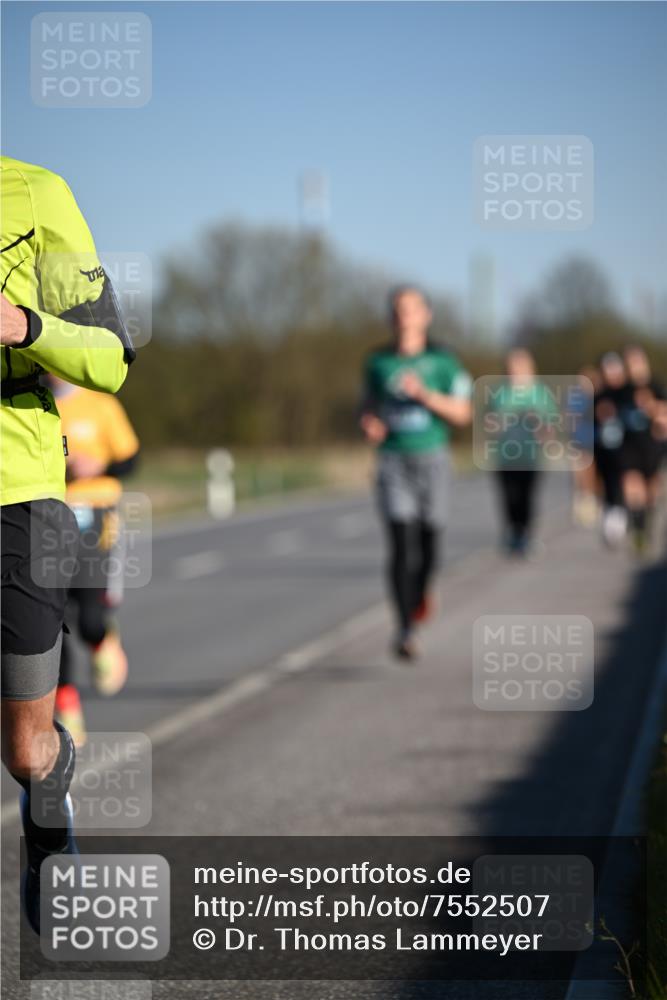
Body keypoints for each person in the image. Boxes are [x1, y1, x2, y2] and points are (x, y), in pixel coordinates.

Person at [0, 156, 135, 933]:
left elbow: (110, 357)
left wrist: (26, 326)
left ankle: (47, 809)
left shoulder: (36, 193)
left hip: (18, 493)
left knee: (24, 747)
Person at [360, 285, 472, 661]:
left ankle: (422, 594)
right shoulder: (377, 362)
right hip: (394, 461)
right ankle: (405, 628)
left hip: (433, 459)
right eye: (396, 310)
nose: (403, 316)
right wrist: (371, 424)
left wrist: (425, 396)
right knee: (399, 542)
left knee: (427, 545)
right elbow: (369, 408)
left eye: (410, 309)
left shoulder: (444, 361)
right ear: (389, 318)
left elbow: (463, 413)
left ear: (426, 315)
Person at [48, 378, 140, 746]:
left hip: (96, 517)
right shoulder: (30, 401)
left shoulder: (101, 405)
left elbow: (131, 459)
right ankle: (65, 704)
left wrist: (98, 466)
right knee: (51, 620)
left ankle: (102, 638)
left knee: (87, 617)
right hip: (48, 517)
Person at [487, 349, 558, 557]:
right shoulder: (499, 392)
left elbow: (550, 425)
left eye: (519, 367)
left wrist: (540, 427)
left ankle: (526, 536)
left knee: (527, 497)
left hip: (530, 456)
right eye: (511, 368)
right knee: (509, 497)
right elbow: (489, 423)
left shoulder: (540, 393)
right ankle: (513, 534)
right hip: (505, 455)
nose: (515, 372)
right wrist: (496, 425)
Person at [618, 345, 666, 553]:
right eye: (629, 363)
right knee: (631, 485)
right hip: (628, 446)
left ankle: (645, 527)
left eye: (636, 362)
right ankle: (637, 528)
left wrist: (651, 406)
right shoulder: (622, 390)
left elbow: (663, 419)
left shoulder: (655, 386)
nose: (633, 367)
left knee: (650, 494)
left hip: (651, 446)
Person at [594, 352, 628, 547]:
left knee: (622, 482)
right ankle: (610, 512)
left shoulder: (627, 392)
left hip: (626, 448)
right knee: (607, 482)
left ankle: (621, 515)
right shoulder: (599, 396)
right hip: (603, 447)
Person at [569, 366, 600, 528]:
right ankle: (582, 501)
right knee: (578, 473)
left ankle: (590, 501)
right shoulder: (575, 397)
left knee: (591, 474)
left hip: (592, 440)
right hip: (577, 441)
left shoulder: (597, 397)